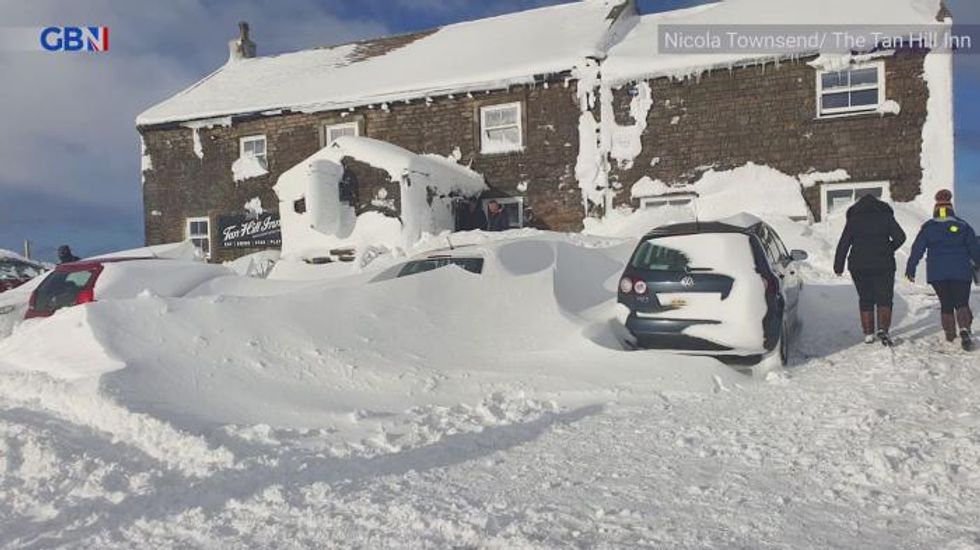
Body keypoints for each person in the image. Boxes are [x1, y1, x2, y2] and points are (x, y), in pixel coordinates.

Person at [905, 189, 980, 351]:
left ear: (936, 208)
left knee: (946, 303)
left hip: (938, 274)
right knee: (961, 302)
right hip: (961, 271)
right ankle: (965, 330)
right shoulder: (963, 226)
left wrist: (910, 269)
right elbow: (975, 249)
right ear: (951, 207)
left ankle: (950, 335)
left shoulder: (928, 228)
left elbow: (917, 249)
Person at [834, 194, 907, 346]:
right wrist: (889, 248)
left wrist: (838, 266)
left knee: (865, 298)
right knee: (884, 297)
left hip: (859, 265)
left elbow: (844, 244)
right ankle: (883, 330)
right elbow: (900, 237)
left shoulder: (853, 221)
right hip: (884, 264)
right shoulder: (886, 217)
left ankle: (868, 333)